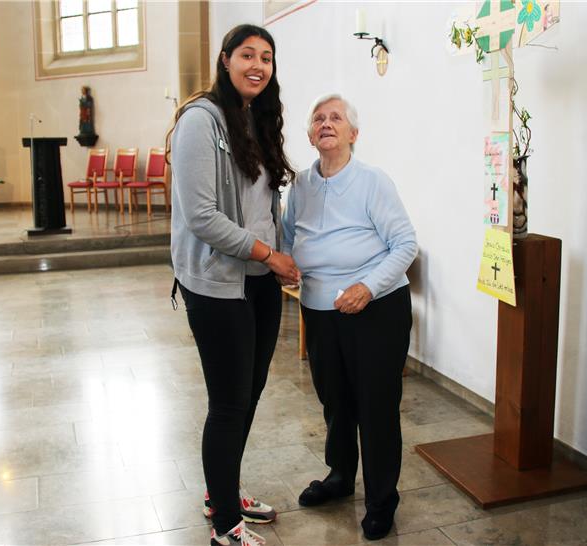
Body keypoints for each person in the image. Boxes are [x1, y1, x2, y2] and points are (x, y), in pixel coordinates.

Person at [168, 24, 300, 546]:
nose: (258, 65)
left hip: (259, 279)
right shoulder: (201, 121)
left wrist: (282, 255)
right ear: (225, 60)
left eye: (266, 57)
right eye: (247, 54)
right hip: (218, 283)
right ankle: (226, 525)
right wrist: (271, 255)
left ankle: (221, 491)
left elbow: (265, 206)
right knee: (227, 402)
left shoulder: (255, 117)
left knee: (249, 393)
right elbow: (201, 216)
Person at [281, 94, 417, 541]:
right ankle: (340, 478)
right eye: (318, 118)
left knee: (376, 407)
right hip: (319, 310)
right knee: (336, 403)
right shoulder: (299, 186)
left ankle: (381, 501)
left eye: (335, 117)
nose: (326, 123)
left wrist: (367, 287)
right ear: (309, 134)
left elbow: (405, 245)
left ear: (353, 134)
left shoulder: (372, 182)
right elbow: (286, 238)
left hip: (375, 309)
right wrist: (285, 263)